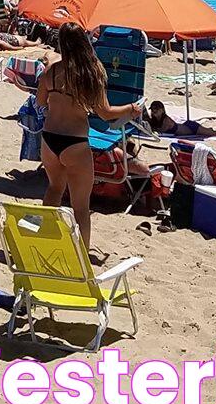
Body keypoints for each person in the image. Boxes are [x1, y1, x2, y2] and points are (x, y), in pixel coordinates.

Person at [35, 22, 142, 257]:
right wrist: (131, 108)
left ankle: (44, 242)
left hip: (50, 138)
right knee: (81, 207)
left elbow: (41, 102)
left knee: (54, 189)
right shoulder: (90, 72)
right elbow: (106, 113)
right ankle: (81, 257)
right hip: (75, 142)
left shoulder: (51, 71)